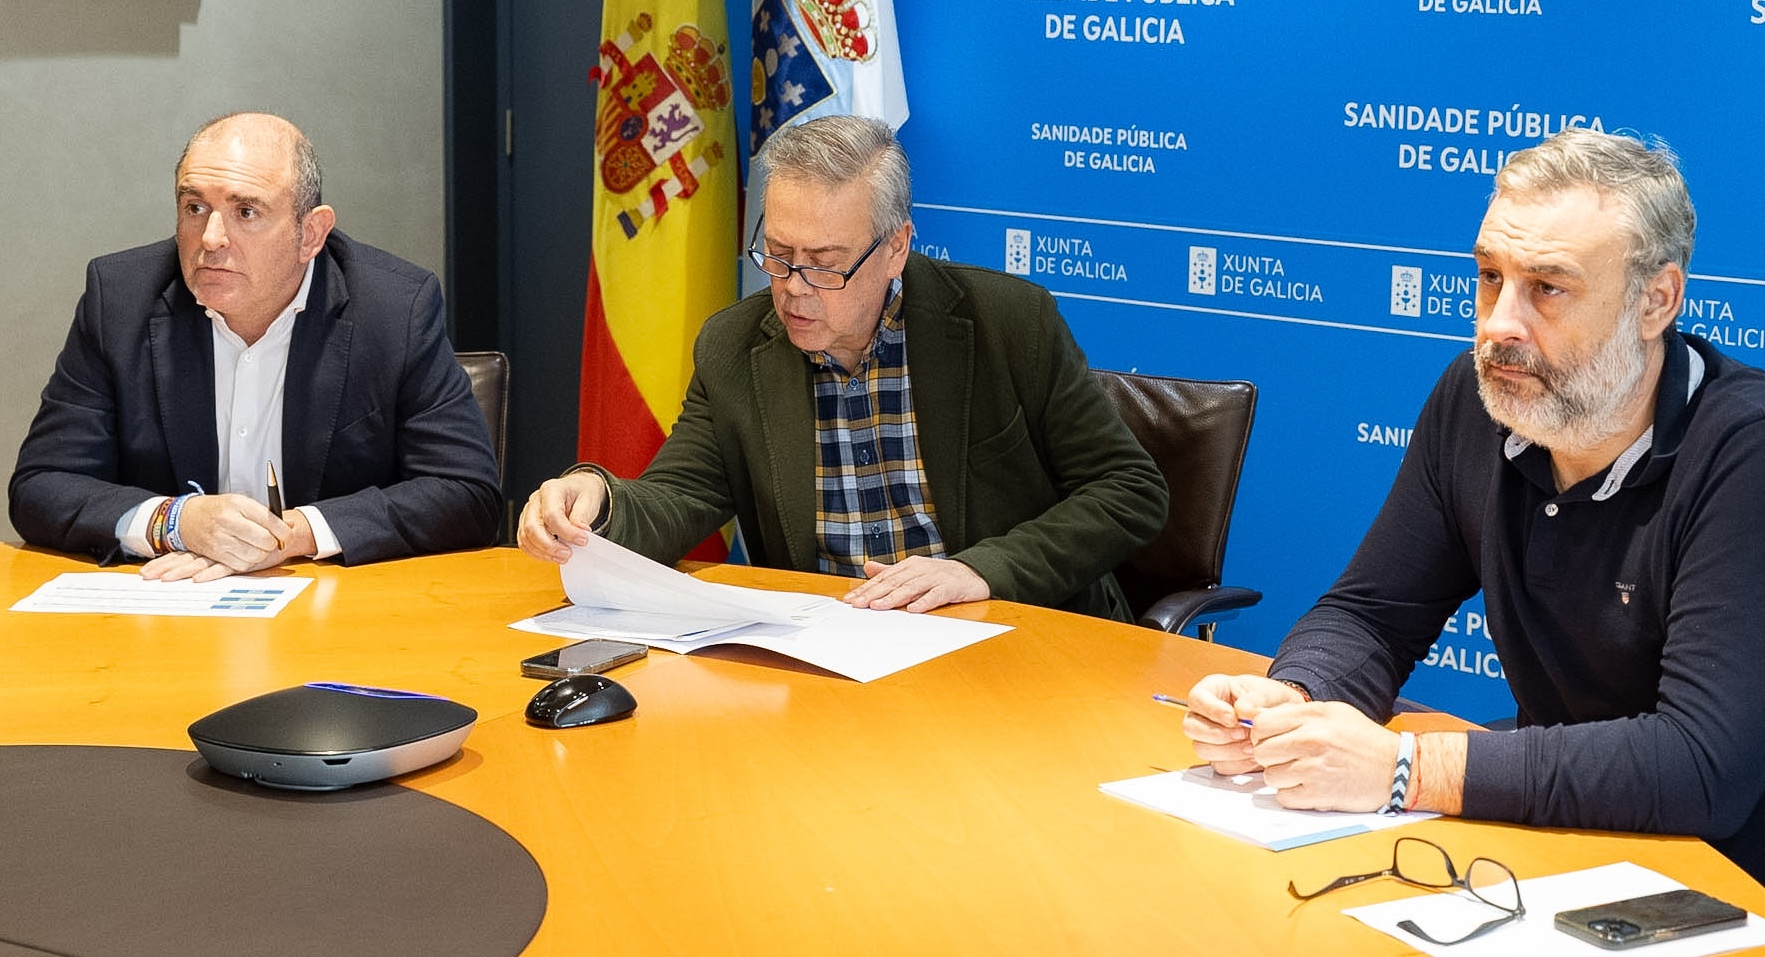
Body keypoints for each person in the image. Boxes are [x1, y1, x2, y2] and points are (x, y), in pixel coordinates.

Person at [1182, 127, 1765, 881]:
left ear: (1655, 301)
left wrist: (1407, 768)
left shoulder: (1743, 453)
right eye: (1490, 277)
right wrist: (1292, 699)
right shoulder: (1479, 399)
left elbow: (1702, 765)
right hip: (1563, 838)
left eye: (1547, 288)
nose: (1498, 326)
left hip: (1726, 873)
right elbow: (1373, 613)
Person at [519, 114, 1166, 619]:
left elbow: (1129, 489)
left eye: (824, 264)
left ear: (895, 248)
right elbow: (680, 496)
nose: (793, 289)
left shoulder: (1007, 323)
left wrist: (981, 569)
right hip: (829, 651)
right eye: (777, 255)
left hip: (1003, 631)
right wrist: (596, 499)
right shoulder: (734, 346)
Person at [10, 112, 502, 581]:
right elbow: (42, 485)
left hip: (335, 606)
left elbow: (466, 493)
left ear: (311, 233)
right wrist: (174, 521)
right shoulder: (120, 299)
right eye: (194, 207)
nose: (211, 238)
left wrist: (294, 534)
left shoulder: (394, 308)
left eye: (246, 212)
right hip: (168, 603)